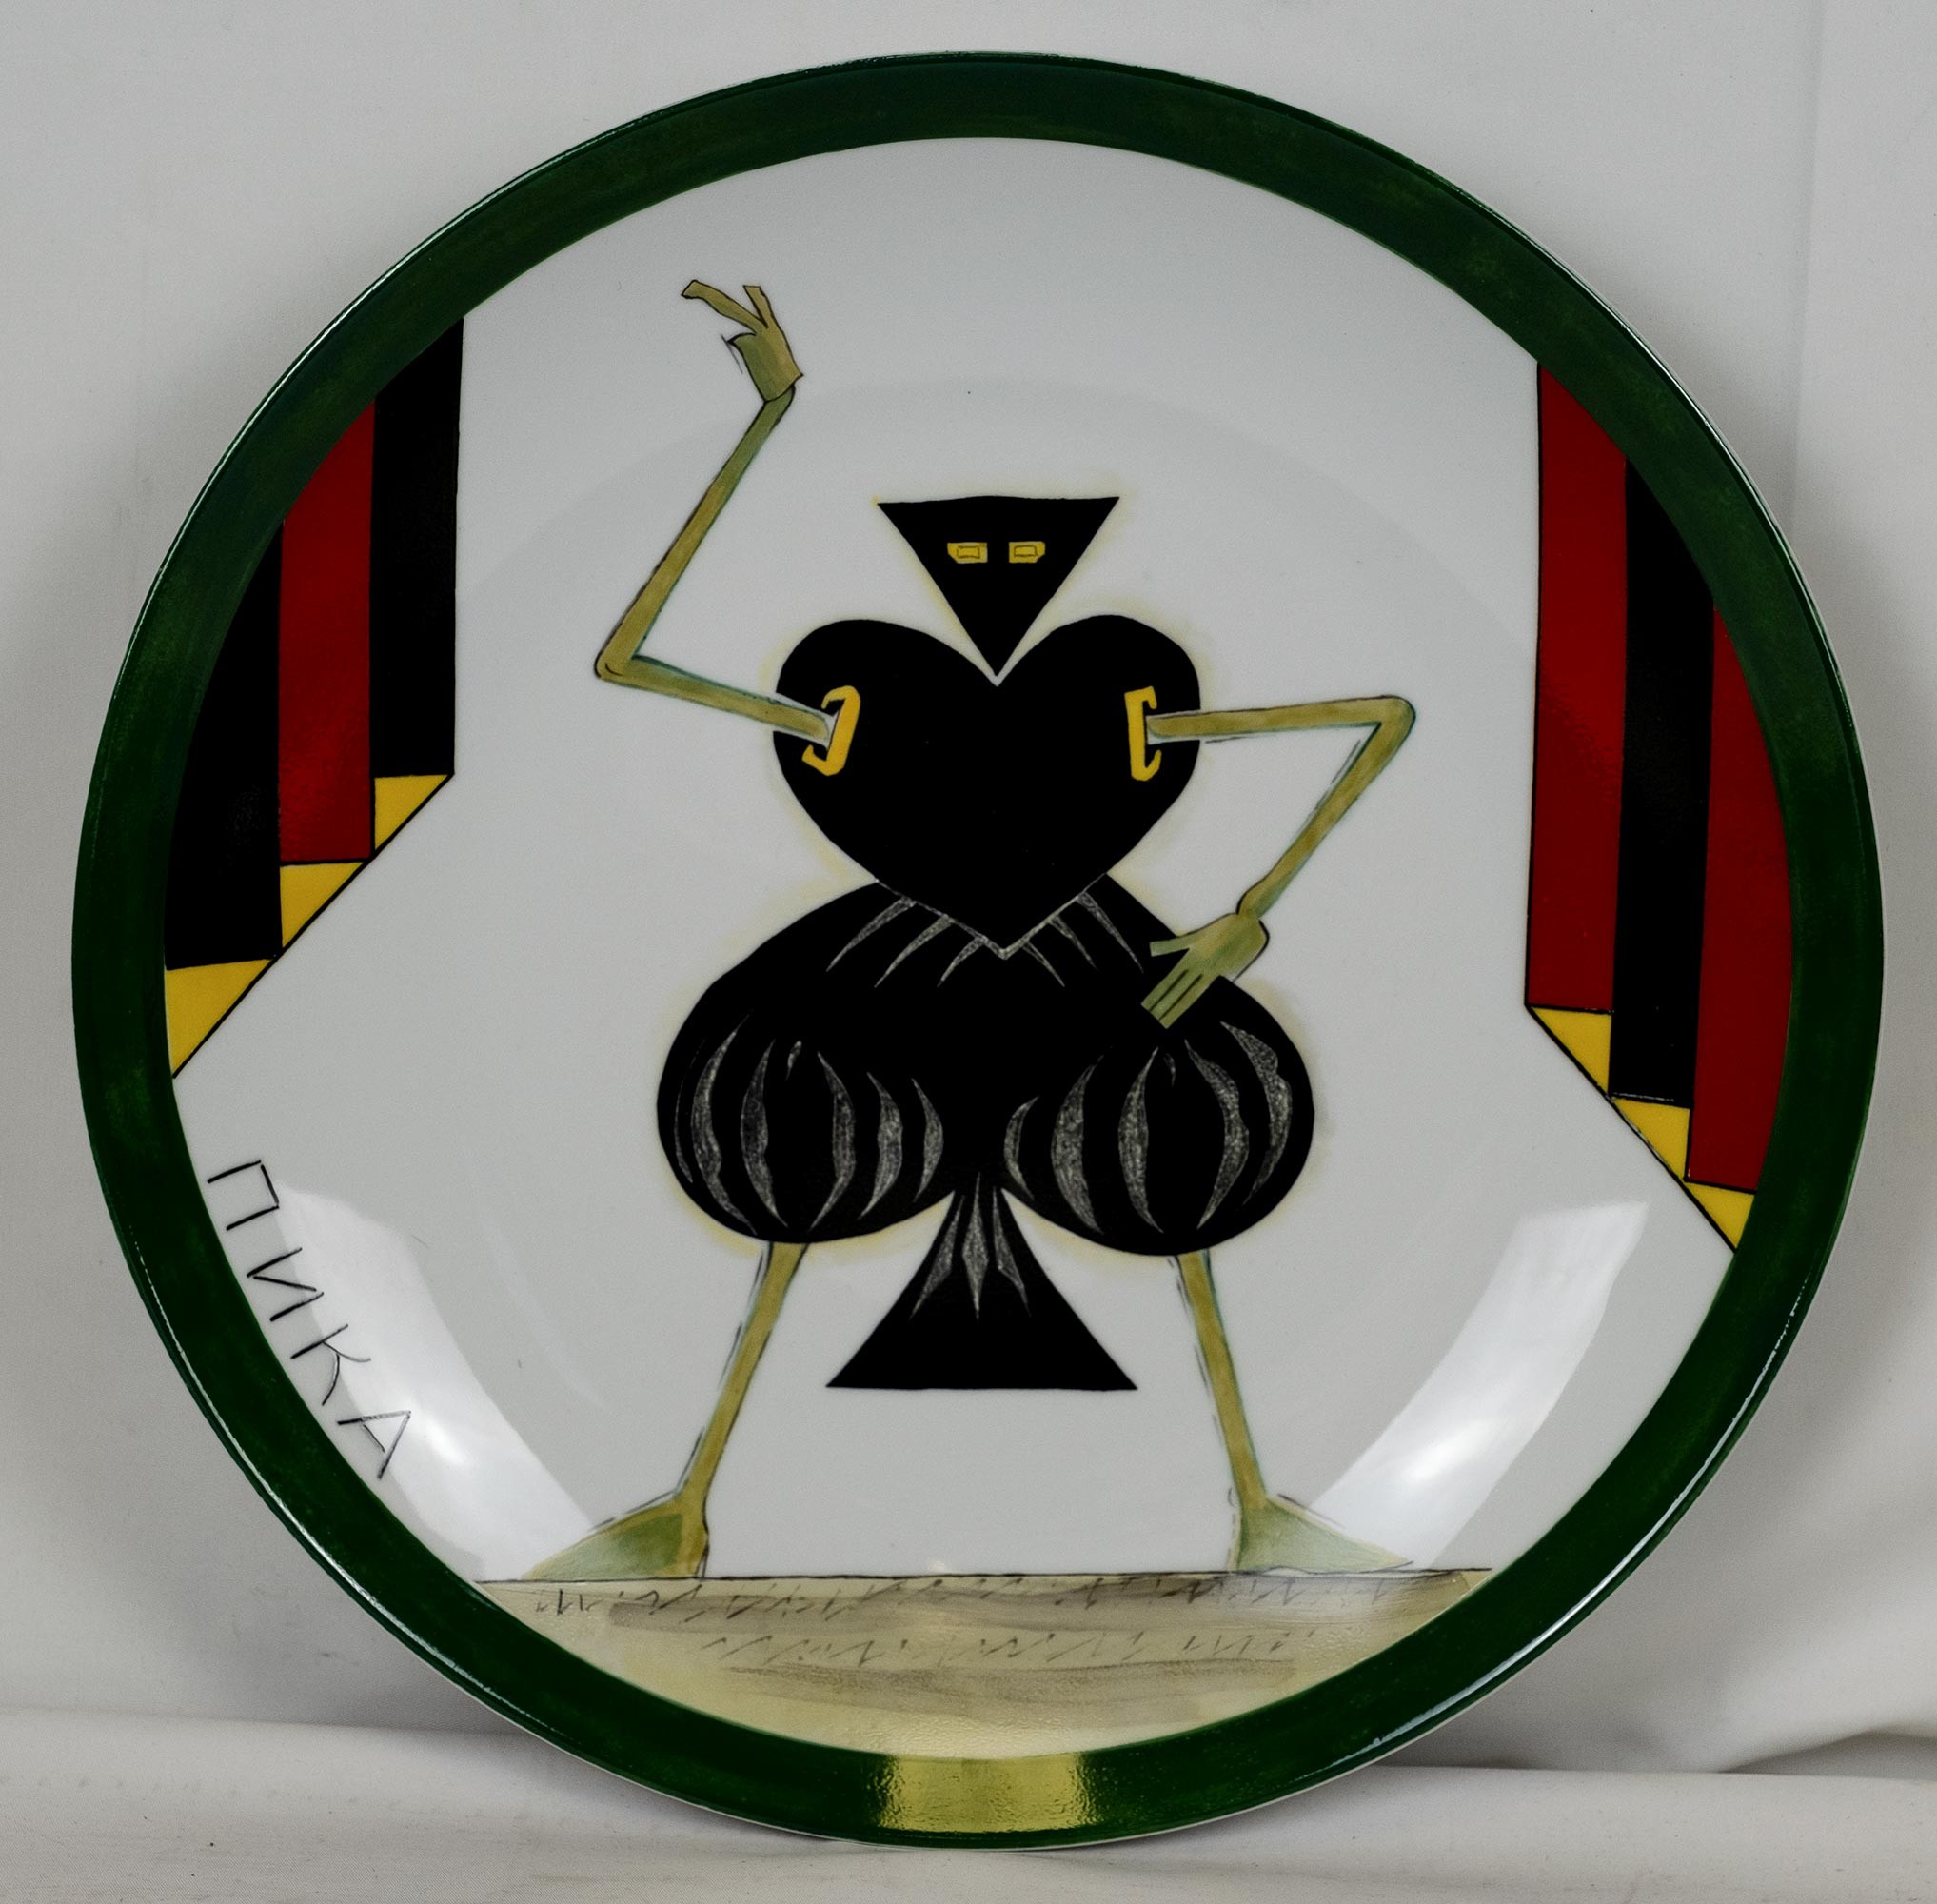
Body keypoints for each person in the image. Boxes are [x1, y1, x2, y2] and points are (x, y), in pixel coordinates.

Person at [528, 283, 1414, 1581]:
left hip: (1081, 954)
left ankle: (1258, 1507)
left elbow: (1382, 718)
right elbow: (623, 661)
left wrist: (1246, 924)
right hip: (895, 959)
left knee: (1175, 1164)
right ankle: (687, 1509)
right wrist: (771, 413)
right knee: (795, 1157)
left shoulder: (1119, 712)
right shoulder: (851, 709)